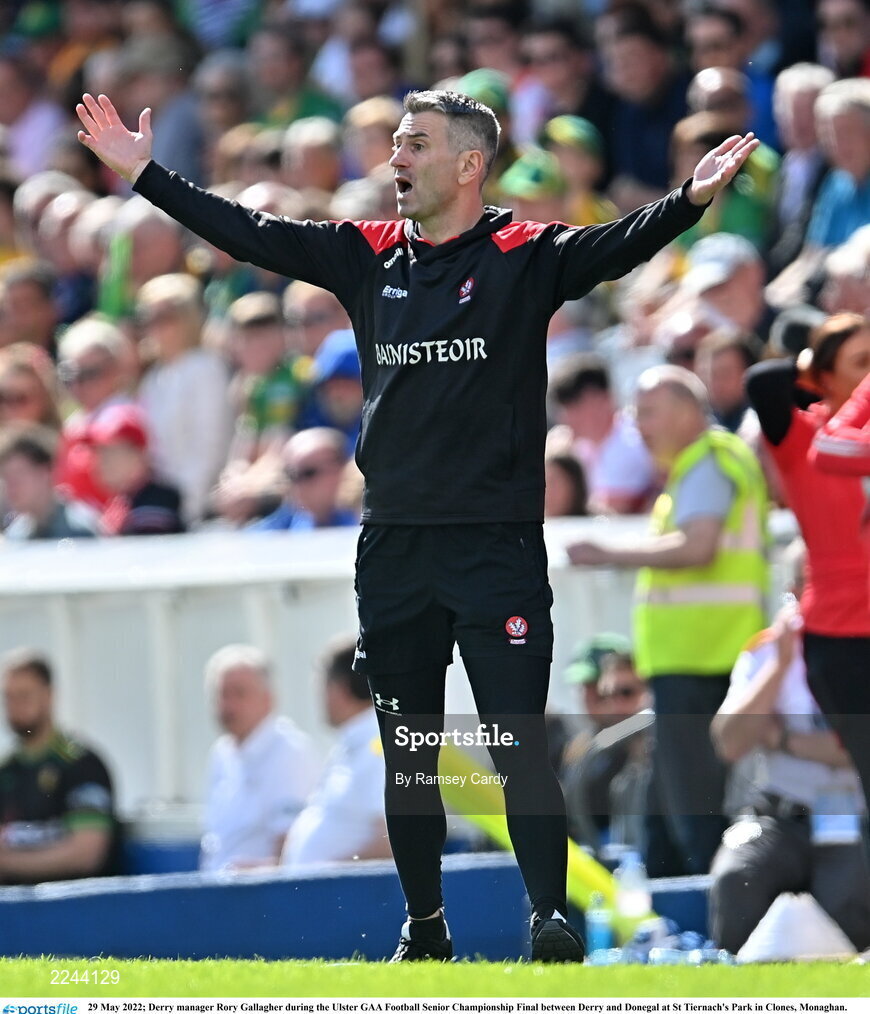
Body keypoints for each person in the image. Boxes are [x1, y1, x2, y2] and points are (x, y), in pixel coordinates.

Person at [76, 84, 757, 962]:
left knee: (516, 741)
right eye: (395, 140)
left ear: (470, 164)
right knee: (409, 754)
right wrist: (147, 177)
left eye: (416, 143)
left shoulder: (525, 252)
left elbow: (619, 246)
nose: (396, 156)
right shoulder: (367, 255)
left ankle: (550, 921)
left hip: (495, 546)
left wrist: (690, 200)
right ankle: (424, 930)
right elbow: (250, 233)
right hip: (394, 547)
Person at [568, 366, 769, 876]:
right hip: (697, 659)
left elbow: (697, 547)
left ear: (686, 411)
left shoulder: (707, 463)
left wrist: (607, 552)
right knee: (663, 815)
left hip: (701, 661)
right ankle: (678, 922)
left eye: (648, 411)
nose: (638, 424)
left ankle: (717, 920)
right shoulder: (701, 465)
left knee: (694, 812)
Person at [746, 313, 870, 811]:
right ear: (820, 376)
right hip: (842, 639)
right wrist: (813, 364)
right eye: (862, 362)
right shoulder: (805, 436)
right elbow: (763, 382)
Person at [709, 582, 870, 954]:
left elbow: (857, 747)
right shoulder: (766, 650)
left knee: (849, 901)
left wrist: (784, 740)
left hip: (851, 816)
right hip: (777, 813)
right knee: (735, 878)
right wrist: (780, 666)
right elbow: (730, 741)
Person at [0, 648, 120, 883]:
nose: (16, 706)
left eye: (24, 695)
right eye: (9, 697)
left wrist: (7, 862)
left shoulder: (82, 766)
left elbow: (86, 854)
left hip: (71, 912)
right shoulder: (6, 771)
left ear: (49, 695)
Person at [200, 645, 320, 872]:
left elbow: (291, 854)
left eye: (240, 693)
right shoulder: (221, 753)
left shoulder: (289, 752)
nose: (228, 706)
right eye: (222, 694)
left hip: (261, 900)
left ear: (268, 699)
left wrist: (244, 873)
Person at [282, 635, 391, 868]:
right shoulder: (355, 744)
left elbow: (393, 842)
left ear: (338, 688)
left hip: (343, 898)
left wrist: (326, 875)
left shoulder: (381, 745)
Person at [548, 354, 657, 515]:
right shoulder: (574, 445)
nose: (566, 417)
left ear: (603, 398)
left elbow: (614, 513)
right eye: (564, 407)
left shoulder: (632, 442)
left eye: (575, 404)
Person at [92, 403, 185, 537]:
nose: (101, 463)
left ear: (139, 457)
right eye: (98, 454)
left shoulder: (153, 507)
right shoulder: (125, 501)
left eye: (111, 454)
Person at [0, 424, 99, 540]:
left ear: (45, 473)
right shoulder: (17, 534)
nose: (11, 485)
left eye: (19, 473)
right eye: (5, 476)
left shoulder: (80, 530)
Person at [249, 428, 358, 532]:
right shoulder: (287, 523)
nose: (298, 485)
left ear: (342, 469)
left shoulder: (363, 523)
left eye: (308, 473)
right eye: (290, 475)